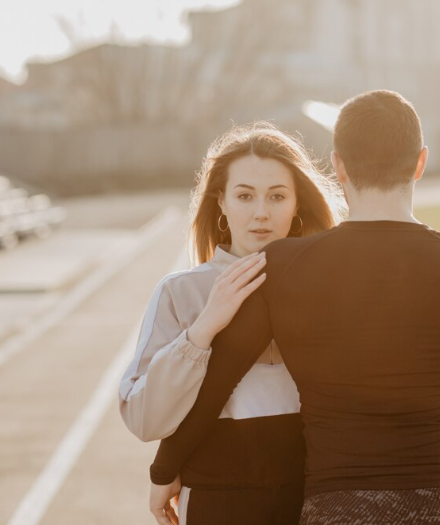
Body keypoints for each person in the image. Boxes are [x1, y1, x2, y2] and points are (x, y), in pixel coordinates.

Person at [148, 90, 440, 524]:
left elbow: (217, 379)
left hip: (337, 511)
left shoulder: (283, 267)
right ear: (419, 162)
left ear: (339, 166)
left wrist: (164, 470)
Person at [118, 122, 341, 525]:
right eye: (244, 196)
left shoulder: (330, 288)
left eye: (277, 196)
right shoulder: (179, 293)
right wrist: (203, 330)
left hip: (315, 497)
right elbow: (143, 419)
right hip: (216, 503)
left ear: (297, 205)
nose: (261, 212)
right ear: (221, 202)